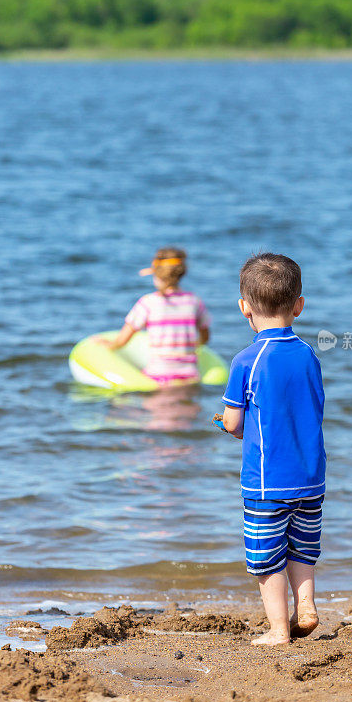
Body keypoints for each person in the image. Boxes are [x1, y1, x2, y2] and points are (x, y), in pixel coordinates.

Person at [219, 252, 326, 646]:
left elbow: (233, 422)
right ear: (299, 306)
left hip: (267, 482)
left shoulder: (246, 359)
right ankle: (308, 606)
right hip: (311, 478)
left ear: (244, 308)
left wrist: (227, 425)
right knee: (303, 550)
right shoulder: (309, 354)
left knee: (267, 559)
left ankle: (279, 630)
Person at [99, 248, 210, 386]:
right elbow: (205, 338)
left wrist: (109, 345)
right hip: (190, 377)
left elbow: (122, 340)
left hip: (159, 378)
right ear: (182, 273)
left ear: (156, 275)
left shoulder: (148, 302)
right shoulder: (194, 301)